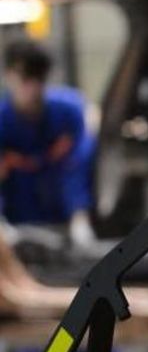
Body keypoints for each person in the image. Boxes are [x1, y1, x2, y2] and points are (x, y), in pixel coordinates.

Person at [0, 39, 95, 246]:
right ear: (8, 76)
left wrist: (79, 218)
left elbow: (77, 166)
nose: (33, 88)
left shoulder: (69, 112)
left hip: (63, 223)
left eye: (39, 78)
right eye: (25, 78)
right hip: (15, 227)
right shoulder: (2, 122)